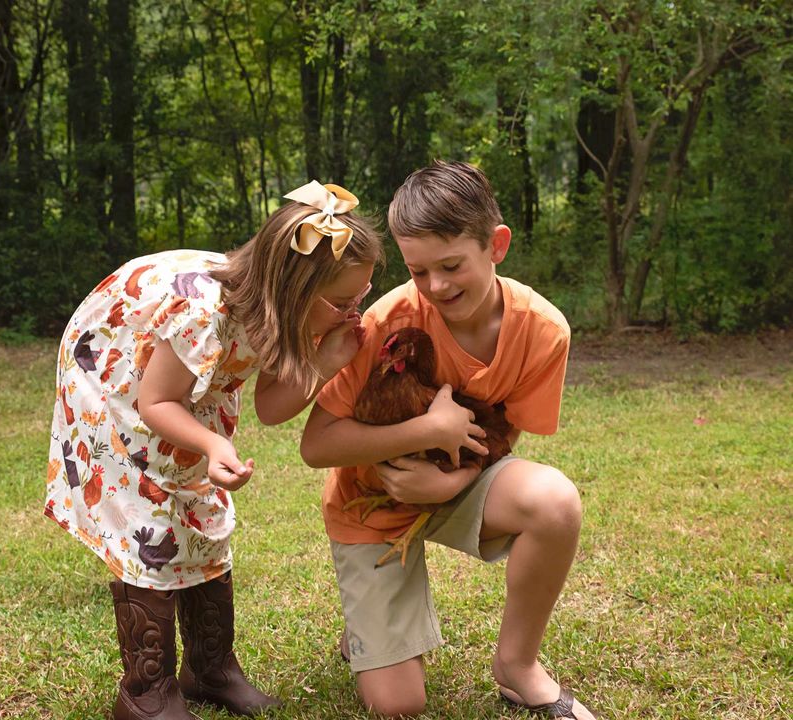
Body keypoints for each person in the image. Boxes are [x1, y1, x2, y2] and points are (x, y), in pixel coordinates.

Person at [45, 180, 383, 720]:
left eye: (360, 297)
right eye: (343, 302)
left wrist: (327, 360)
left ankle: (210, 668)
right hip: (117, 376)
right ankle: (144, 692)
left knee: (202, 507)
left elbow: (272, 406)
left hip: (183, 384)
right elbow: (155, 403)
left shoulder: (284, 312)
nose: (353, 310)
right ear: (295, 289)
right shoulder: (204, 312)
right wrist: (209, 439)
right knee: (149, 519)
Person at [300, 161, 596, 719]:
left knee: (554, 503)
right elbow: (315, 445)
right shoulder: (385, 321)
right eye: (418, 271)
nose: (436, 286)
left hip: (459, 482)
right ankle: (366, 630)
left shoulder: (544, 330)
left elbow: (506, 430)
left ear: (497, 246)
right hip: (372, 504)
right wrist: (429, 431)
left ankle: (517, 665)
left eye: (452, 265)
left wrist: (452, 480)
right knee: (399, 706)